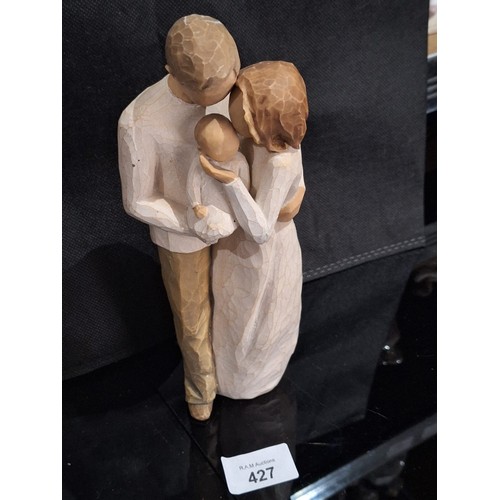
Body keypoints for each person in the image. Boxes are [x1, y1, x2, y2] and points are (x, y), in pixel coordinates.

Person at [117, 15, 240, 421]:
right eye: (208, 88)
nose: (228, 88)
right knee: (192, 316)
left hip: (238, 213)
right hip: (182, 235)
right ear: (172, 72)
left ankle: (237, 371)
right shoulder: (139, 121)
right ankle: (201, 386)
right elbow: (137, 201)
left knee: (237, 296)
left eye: (233, 70)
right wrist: (194, 223)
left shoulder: (230, 84)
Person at [200, 61, 309, 399]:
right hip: (237, 247)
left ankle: (246, 383)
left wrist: (230, 182)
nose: (231, 108)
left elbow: (260, 230)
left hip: (263, 255)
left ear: (260, 118)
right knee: (231, 316)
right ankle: (230, 378)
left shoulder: (280, 160)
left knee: (256, 324)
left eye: (241, 106)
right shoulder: (255, 139)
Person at [186, 114, 250, 244]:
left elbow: (245, 187)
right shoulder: (199, 162)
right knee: (200, 224)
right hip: (205, 208)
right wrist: (196, 204)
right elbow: (193, 184)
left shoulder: (239, 161)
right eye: (219, 149)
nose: (229, 149)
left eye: (232, 142)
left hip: (228, 210)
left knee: (223, 226)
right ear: (202, 149)